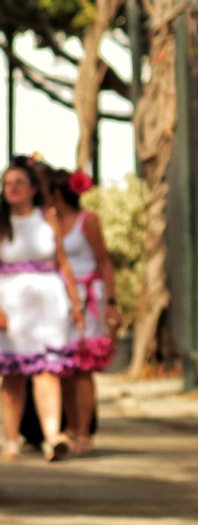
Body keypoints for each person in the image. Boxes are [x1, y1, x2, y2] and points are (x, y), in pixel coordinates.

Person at [0, 157, 82, 461]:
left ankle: (52, 436)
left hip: (48, 303)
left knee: (47, 369)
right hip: (11, 303)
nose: (12, 188)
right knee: (14, 373)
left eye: (19, 182)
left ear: (34, 188)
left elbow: (62, 261)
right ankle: (11, 440)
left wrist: (75, 303)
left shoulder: (47, 219)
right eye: (8, 183)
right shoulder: (1, 222)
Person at [50, 167, 119, 454]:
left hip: (88, 296)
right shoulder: (50, 221)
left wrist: (112, 304)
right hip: (59, 296)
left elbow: (104, 260)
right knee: (64, 367)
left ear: (58, 193)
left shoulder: (87, 220)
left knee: (83, 367)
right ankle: (68, 428)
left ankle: (83, 432)